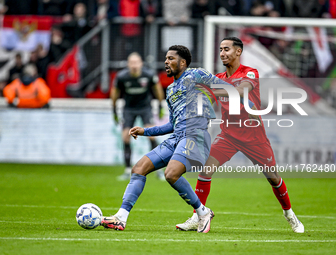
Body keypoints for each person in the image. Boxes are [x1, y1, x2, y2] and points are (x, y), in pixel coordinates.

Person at [101, 45, 257, 233]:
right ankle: (121, 217)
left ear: (183, 62)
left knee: (171, 173)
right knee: (139, 169)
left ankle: (202, 212)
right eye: (166, 59)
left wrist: (248, 106)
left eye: (171, 59)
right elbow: (172, 124)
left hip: (195, 135)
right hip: (178, 136)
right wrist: (146, 131)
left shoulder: (196, 75)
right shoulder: (170, 89)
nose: (166, 62)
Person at [176, 37, 305, 233]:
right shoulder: (219, 77)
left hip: (254, 137)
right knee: (205, 170)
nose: (222, 53)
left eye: (226, 49)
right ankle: (198, 215)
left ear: (238, 52)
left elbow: (240, 91)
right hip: (228, 134)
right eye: (220, 49)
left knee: (273, 178)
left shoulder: (250, 73)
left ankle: (289, 214)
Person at [112, 52, 165, 181]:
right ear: (128, 64)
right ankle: (127, 170)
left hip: (145, 108)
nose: (134, 65)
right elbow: (115, 92)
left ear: (141, 63)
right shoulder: (122, 77)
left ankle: (159, 170)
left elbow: (157, 89)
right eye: (132, 63)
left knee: (152, 135)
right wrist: (114, 109)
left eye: (136, 62)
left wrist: (160, 105)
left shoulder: (148, 75)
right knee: (125, 137)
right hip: (129, 109)